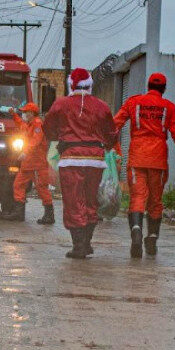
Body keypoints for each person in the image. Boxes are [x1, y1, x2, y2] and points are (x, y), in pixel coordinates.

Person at [113, 72, 175, 258]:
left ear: (148, 85)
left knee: (137, 197)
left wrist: (105, 143)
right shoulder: (169, 107)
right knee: (155, 200)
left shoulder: (133, 102)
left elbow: (115, 123)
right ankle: (152, 237)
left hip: (137, 157)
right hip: (158, 159)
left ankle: (136, 230)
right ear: (163, 89)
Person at [42, 68, 120, 259]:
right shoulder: (101, 106)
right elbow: (111, 132)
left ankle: (78, 246)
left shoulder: (61, 104)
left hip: (71, 159)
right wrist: (107, 145)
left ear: (71, 84)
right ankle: (87, 243)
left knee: (73, 201)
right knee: (91, 200)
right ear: (90, 85)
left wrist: (58, 138)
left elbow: (47, 127)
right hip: (95, 160)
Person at [8, 103, 54, 224]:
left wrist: (25, 152)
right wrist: (13, 115)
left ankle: (49, 215)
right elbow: (21, 124)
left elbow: (36, 141)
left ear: (32, 113)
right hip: (28, 163)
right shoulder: (29, 124)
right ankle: (19, 213)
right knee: (18, 185)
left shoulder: (37, 123)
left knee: (41, 188)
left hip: (37, 164)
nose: (24, 114)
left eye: (26, 112)